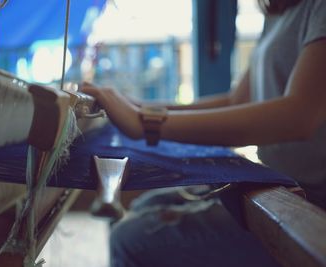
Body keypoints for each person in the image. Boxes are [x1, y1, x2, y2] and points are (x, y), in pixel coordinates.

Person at [80, 0, 326, 266]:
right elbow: (238, 101)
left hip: (312, 207)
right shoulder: (282, 10)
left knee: (131, 240)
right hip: (279, 185)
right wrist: (139, 107)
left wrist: (147, 124)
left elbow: (299, 116)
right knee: (145, 207)